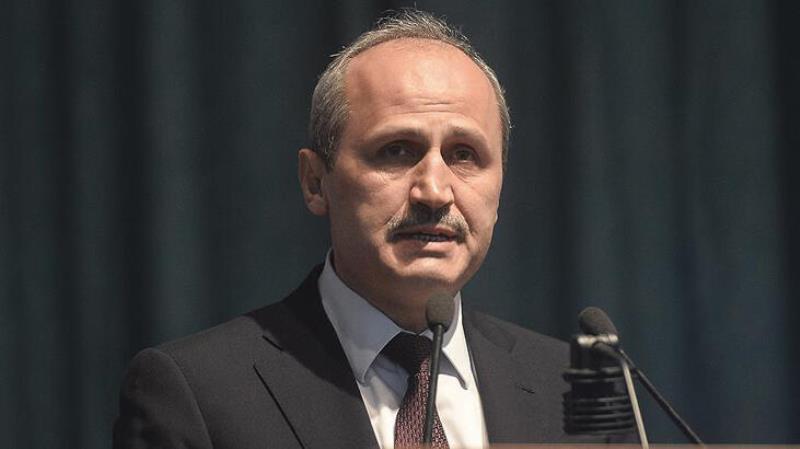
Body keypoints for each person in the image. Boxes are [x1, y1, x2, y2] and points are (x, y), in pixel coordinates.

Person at [114, 10, 624, 449]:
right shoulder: (197, 393)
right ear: (315, 182)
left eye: (464, 155)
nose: (434, 191)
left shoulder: (575, 388)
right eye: (396, 151)